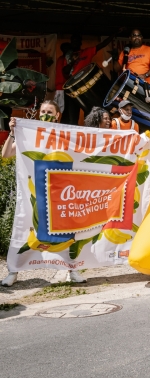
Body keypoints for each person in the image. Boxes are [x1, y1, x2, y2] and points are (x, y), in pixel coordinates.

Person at [1, 100, 87, 286]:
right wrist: (13, 134)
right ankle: (14, 272)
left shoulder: (66, 135)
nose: (45, 114)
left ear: (57, 115)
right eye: (42, 111)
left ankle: (72, 270)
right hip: (34, 193)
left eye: (49, 111)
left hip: (60, 194)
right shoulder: (30, 136)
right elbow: (6, 155)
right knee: (25, 229)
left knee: (66, 233)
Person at [62, 30, 122, 125]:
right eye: (73, 41)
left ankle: (90, 133)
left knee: (89, 111)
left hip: (87, 86)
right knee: (72, 115)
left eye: (77, 41)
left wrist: (113, 34)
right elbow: (64, 72)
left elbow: (102, 45)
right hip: (74, 88)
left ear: (80, 42)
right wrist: (72, 61)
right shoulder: (68, 56)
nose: (75, 43)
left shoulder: (87, 51)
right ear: (71, 42)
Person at [54, 42, 72, 113]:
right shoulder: (62, 59)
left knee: (61, 109)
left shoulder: (63, 59)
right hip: (61, 87)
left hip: (63, 87)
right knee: (61, 110)